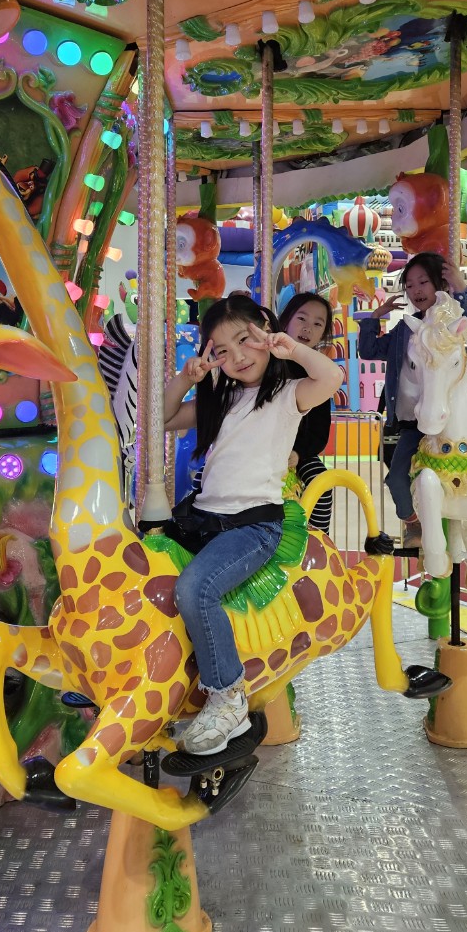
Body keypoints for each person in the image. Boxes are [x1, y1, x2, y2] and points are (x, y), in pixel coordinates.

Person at [163, 295, 343, 755]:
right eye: (222, 351)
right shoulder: (221, 400)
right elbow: (161, 419)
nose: (238, 356)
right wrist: (185, 379)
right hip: (203, 519)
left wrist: (291, 348)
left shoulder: (288, 395)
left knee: (195, 589)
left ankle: (228, 697)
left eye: (245, 340)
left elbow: (331, 378)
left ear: (265, 330)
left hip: (252, 527)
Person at [357, 252, 467, 554]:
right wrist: (375, 318)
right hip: (417, 420)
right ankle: (413, 524)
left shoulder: (453, 320)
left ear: (439, 283)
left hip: (464, 417)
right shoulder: (406, 330)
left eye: (423, 282)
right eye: (409, 285)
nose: (416, 290)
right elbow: (370, 350)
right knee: (397, 477)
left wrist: (461, 287)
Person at [278, 292, 335, 532]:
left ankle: (319, 538)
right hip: (260, 445)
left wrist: (299, 453)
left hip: (298, 453)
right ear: (286, 320)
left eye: (317, 324)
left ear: (323, 334)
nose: (307, 328)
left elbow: (319, 432)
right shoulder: (268, 363)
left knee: (320, 483)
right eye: (301, 318)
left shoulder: (319, 373)